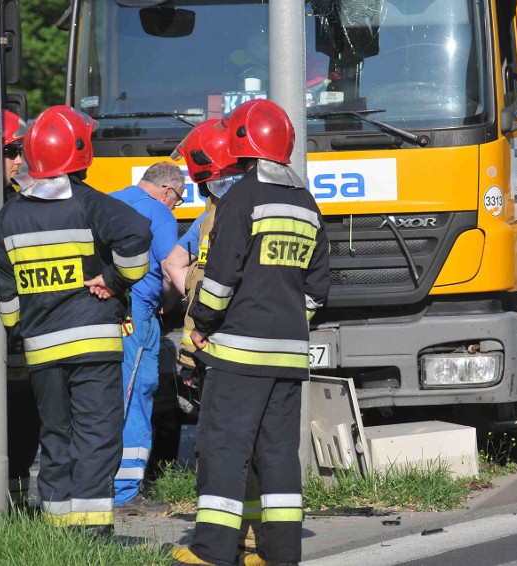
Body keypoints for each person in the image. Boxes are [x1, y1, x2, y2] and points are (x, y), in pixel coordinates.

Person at [172, 100, 330, 566]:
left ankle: (213, 552)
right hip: (288, 355)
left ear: (240, 142)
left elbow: (220, 281)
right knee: (278, 454)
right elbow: (317, 289)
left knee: (223, 448)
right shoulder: (306, 202)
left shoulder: (241, 199)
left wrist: (201, 323)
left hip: (239, 354)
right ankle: (280, 554)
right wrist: (283, 323)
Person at [0, 105, 153, 535]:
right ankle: (92, 534)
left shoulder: (7, 217)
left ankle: (58, 532)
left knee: (55, 438)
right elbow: (138, 237)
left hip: (41, 349)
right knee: (97, 436)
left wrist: (19, 333)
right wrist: (116, 280)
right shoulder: (90, 204)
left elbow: (6, 297)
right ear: (81, 153)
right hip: (94, 344)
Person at [163, 119, 265, 557]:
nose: (207, 189)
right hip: (245, 342)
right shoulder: (247, 203)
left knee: (222, 447)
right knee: (255, 445)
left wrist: (191, 339)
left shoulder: (222, 211)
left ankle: (219, 545)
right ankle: (256, 536)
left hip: (219, 346)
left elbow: (188, 273)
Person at [111, 162, 184, 510]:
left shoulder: (108, 199)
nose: (175, 205)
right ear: (168, 190)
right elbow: (172, 269)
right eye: (179, 199)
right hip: (137, 312)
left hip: (105, 310)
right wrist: (172, 302)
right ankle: (125, 491)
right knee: (137, 390)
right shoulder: (159, 212)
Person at [1, 110, 41, 505]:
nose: (19, 160)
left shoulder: (16, 200)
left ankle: (14, 508)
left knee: (25, 421)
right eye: (13, 150)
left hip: (19, 335)